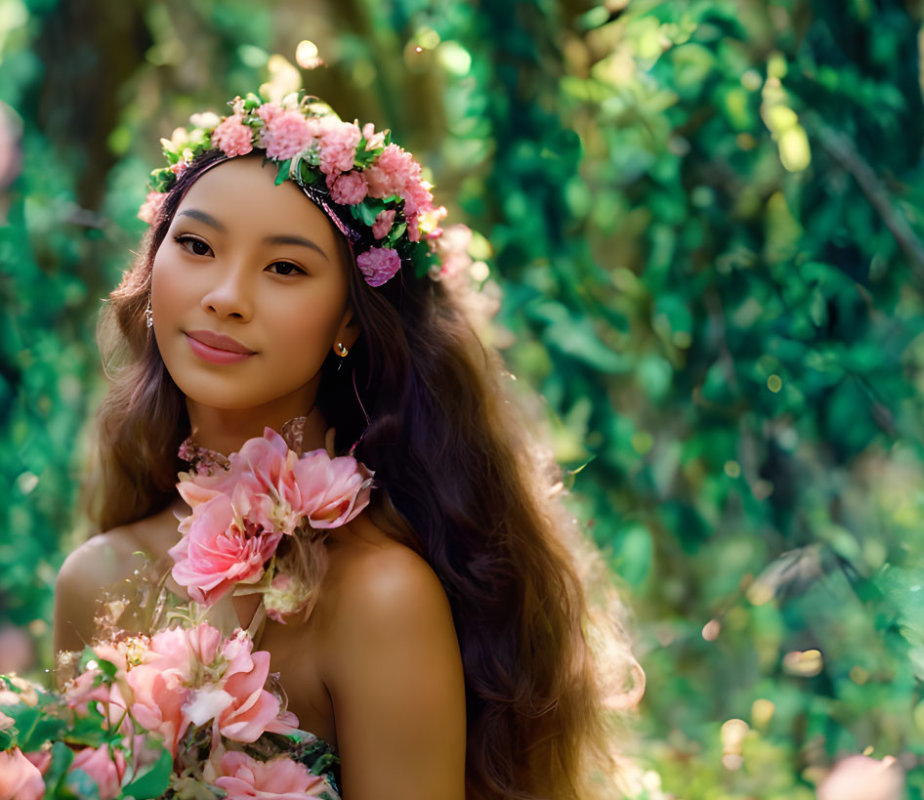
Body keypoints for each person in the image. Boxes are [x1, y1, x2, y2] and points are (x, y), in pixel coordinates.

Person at [53, 89, 641, 800]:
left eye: (286, 268)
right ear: (153, 274)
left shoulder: (379, 596)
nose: (226, 295)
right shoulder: (95, 579)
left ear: (350, 325)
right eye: (197, 246)